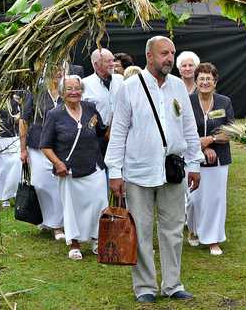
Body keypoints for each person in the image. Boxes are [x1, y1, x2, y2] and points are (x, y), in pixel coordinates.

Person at [105, 35, 203, 303]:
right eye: (164, 53)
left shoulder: (178, 87)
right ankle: (145, 287)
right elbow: (119, 132)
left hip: (173, 170)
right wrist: (115, 171)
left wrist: (195, 162)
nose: (170, 58)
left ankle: (173, 284)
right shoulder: (130, 87)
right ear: (149, 56)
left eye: (172, 53)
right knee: (141, 230)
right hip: (138, 172)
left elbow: (189, 128)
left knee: (173, 230)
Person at [40, 75, 108, 260]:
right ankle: (74, 243)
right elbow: (45, 145)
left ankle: (97, 240)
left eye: (77, 88)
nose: (74, 92)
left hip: (94, 166)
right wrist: (58, 163)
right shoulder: (54, 114)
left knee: (99, 204)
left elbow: (102, 131)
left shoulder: (90, 108)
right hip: (69, 170)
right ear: (62, 92)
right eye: (69, 89)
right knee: (72, 208)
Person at [187, 62, 234, 256]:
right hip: (192, 157)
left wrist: (211, 140)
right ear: (196, 82)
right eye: (201, 78)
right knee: (193, 200)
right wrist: (202, 147)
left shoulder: (224, 102)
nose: (205, 82)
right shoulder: (187, 101)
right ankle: (193, 230)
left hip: (219, 159)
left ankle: (213, 239)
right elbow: (182, 130)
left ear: (215, 82)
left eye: (209, 79)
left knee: (215, 200)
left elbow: (231, 131)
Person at [20, 66, 65, 239]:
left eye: (61, 70)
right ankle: (46, 220)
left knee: (59, 184)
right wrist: (22, 149)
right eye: (54, 70)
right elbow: (23, 120)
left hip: (60, 145)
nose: (58, 73)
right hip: (37, 145)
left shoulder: (66, 90)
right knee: (40, 184)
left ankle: (58, 225)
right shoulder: (36, 92)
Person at [0, 94, 23, 207]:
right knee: (2, 169)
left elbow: (19, 117)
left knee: (16, 163)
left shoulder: (14, 100)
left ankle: (11, 193)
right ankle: (3, 197)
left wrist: (19, 117)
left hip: (14, 139)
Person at [82, 48, 123, 128]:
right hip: (97, 134)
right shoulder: (84, 84)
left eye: (113, 60)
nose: (112, 64)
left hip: (121, 131)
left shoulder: (121, 79)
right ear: (96, 64)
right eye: (108, 61)